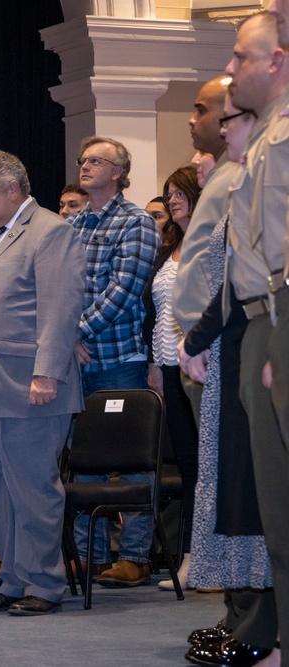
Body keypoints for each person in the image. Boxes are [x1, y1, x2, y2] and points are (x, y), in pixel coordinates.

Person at [0, 151, 85, 616]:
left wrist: (47, 372)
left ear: (13, 189)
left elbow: (60, 308)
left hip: (25, 388)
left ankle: (44, 585)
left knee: (32, 491)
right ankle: (12, 577)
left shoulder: (52, 232)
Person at [180, 93, 276, 667]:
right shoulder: (235, 178)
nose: (214, 124)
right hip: (224, 348)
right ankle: (243, 618)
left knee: (249, 490)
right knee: (231, 487)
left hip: (240, 345)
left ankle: (260, 626)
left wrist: (197, 340)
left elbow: (243, 279)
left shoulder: (257, 179)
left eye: (225, 116)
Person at [222, 10, 289, 665]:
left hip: (279, 314)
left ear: (278, 61)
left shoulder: (283, 136)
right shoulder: (266, 137)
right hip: (264, 316)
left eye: (242, 56)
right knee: (277, 506)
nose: (230, 69)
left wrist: (279, 342)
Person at [68, 135, 161, 587]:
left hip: (119, 359)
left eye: (95, 161)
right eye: (83, 160)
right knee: (84, 462)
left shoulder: (137, 222)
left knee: (130, 463)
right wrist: (66, 340)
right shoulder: (74, 224)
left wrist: (76, 332)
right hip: (76, 363)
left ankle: (137, 557)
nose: (85, 166)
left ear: (119, 172)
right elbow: (58, 288)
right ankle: (91, 555)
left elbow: (123, 292)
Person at [142, 166, 201, 591]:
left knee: (208, 465)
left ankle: (205, 559)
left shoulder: (212, 241)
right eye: (169, 192)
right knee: (187, 464)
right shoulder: (170, 250)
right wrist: (153, 365)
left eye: (180, 192)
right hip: (167, 366)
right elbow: (156, 314)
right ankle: (191, 556)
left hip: (203, 367)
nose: (172, 198)